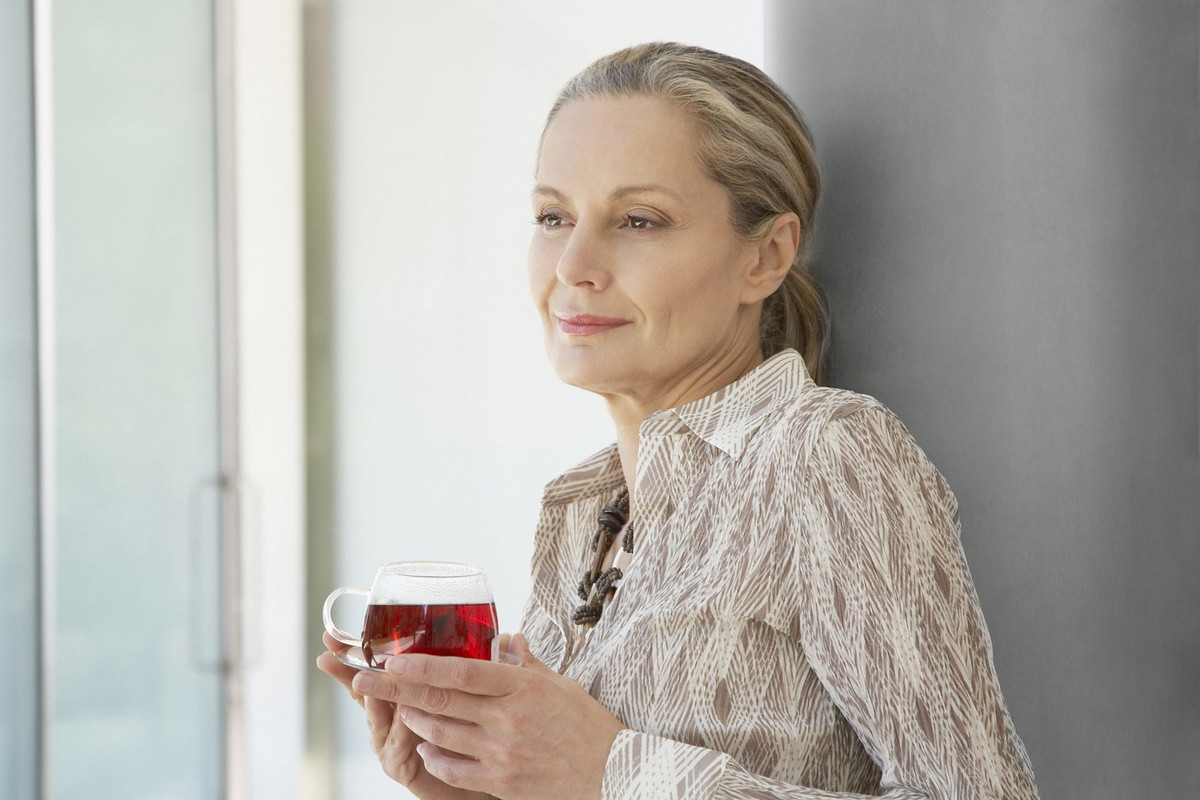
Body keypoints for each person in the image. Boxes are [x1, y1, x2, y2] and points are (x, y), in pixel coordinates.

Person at [317, 42, 1041, 800]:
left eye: (638, 220)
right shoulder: (582, 514)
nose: (574, 266)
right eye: (553, 216)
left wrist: (612, 770)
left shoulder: (825, 457)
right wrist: (473, 786)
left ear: (764, 257)